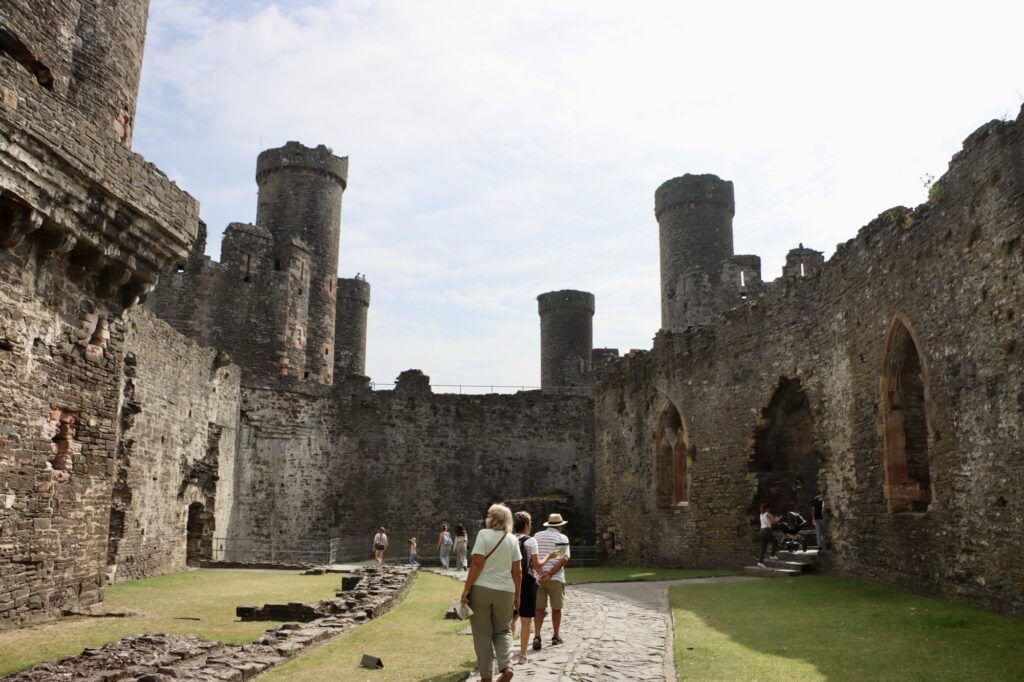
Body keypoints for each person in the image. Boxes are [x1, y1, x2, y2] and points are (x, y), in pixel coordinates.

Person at [460, 504, 521, 682]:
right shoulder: (512, 539)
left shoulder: (483, 534)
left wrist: (466, 589)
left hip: (482, 589)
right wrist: (517, 595)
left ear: (493, 518)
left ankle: (486, 677)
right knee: (503, 630)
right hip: (506, 591)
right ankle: (507, 666)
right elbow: (517, 572)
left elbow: (477, 563)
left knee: (482, 634)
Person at [510, 511, 559, 665]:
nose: (531, 526)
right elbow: (536, 564)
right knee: (526, 620)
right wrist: (549, 557)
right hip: (527, 582)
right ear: (526, 525)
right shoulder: (531, 541)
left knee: (509, 618)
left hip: (509, 581)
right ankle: (523, 655)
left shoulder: (508, 539)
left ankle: (506, 652)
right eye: (530, 523)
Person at [532, 513, 570, 650]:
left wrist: (541, 573)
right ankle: (555, 636)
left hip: (539, 578)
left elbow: (533, 557)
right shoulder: (561, 537)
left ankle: (537, 635)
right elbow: (563, 559)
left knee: (539, 609)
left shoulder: (537, 536)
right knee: (556, 609)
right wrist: (550, 573)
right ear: (560, 525)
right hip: (556, 578)